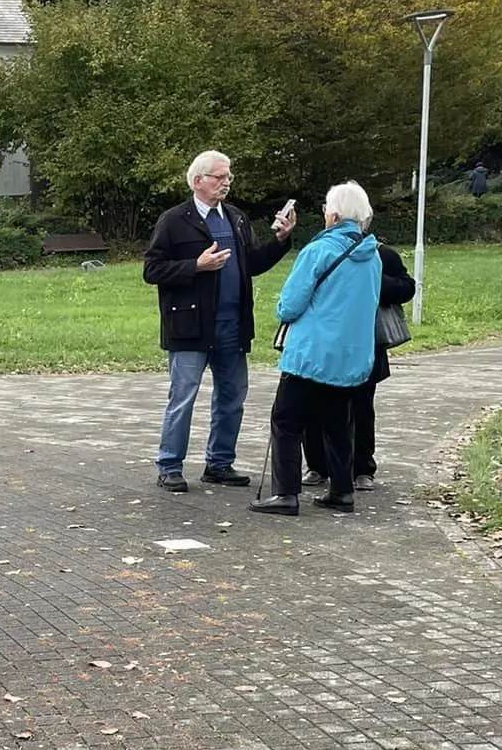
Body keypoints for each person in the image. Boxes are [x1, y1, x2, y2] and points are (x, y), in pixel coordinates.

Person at [144, 152, 297, 491]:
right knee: (183, 398)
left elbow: (252, 264)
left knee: (232, 397)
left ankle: (219, 463)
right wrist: (195, 266)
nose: (226, 183)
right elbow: (152, 270)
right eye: (219, 177)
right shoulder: (174, 220)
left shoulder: (236, 217)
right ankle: (169, 466)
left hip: (232, 325)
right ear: (198, 181)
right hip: (190, 326)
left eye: (229, 177)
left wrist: (280, 241)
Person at [251, 182, 382, 517]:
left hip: (310, 352)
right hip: (350, 354)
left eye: (326, 207)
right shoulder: (373, 254)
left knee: (286, 420)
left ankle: (285, 493)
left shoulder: (318, 250)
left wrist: (282, 309)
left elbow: (290, 304)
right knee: (338, 422)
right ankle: (342, 491)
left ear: (333, 215)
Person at [303, 242, 413, 493]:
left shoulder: (381, 254)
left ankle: (363, 469)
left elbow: (407, 288)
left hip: (365, 342)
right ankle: (317, 466)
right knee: (314, 404)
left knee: (361, 406)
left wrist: (372, 279)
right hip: (324, 340)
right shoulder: (319, 251)